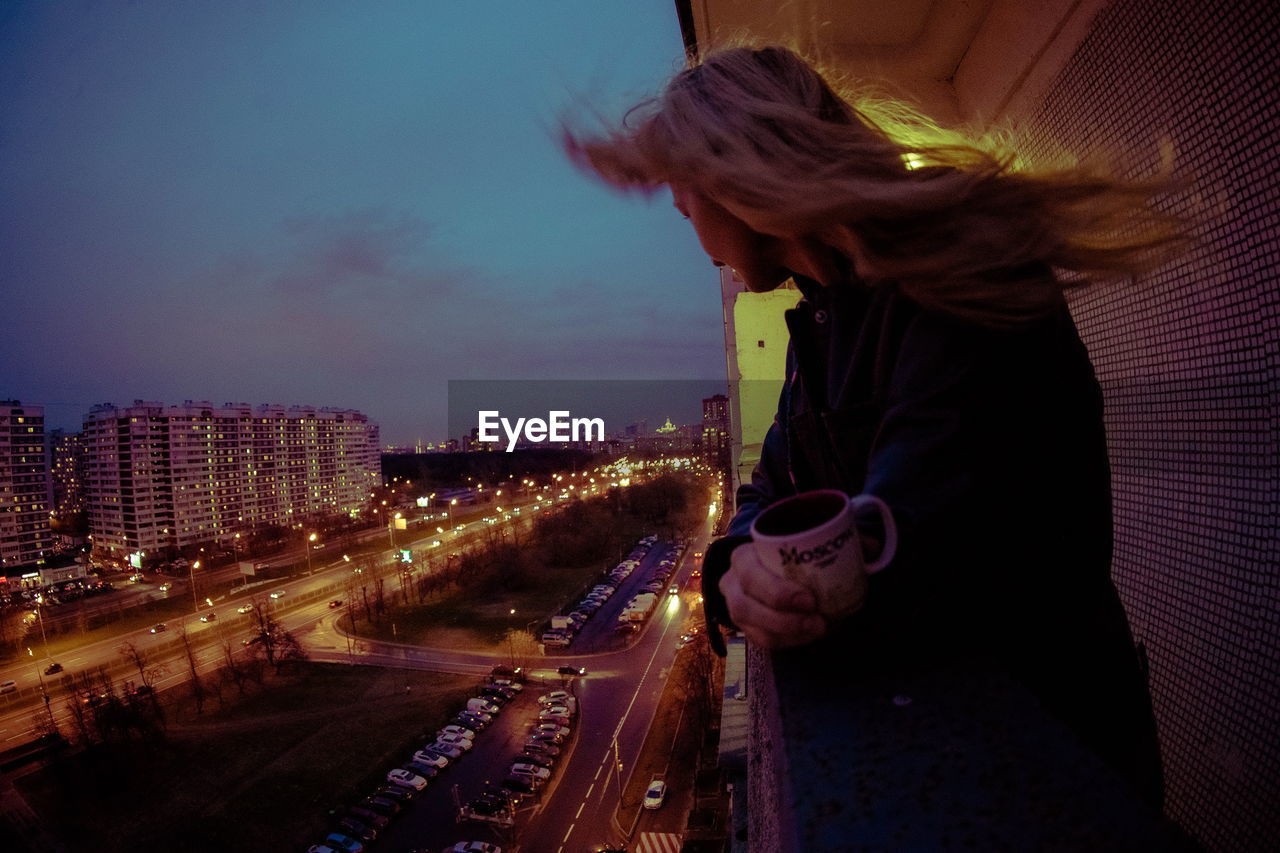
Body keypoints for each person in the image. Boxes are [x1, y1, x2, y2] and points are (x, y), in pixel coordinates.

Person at [564, 45, 1185, 808]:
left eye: (680, 188)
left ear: (732, 175)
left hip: (1048, 767)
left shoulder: (955, 271)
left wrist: (774, 577)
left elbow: (909, 553)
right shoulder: (831, 318)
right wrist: (734, 570)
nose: (681, 210)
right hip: (955, 759)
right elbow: (772, 489)